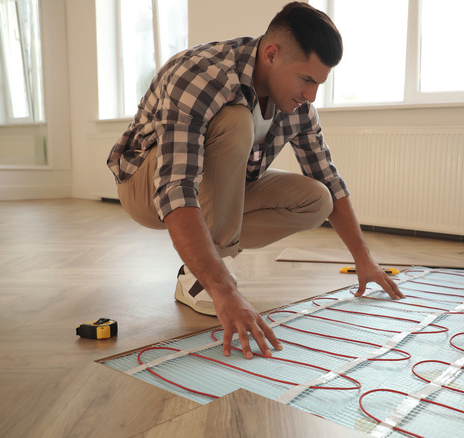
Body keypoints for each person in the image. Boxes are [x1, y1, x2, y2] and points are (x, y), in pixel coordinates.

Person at [107, 2, 403, 360]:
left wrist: (363, 258)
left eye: (319, 83)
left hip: (214, 194)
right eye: (306, 79)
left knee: (318, 198)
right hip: (145, 185)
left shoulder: (299, 108)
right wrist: (225, 292)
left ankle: (205, 265)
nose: (311, 96)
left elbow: (329, 177)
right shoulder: (202, 76)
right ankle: (202, 279)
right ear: (272, 54)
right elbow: (175, 186)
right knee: (235, 121)